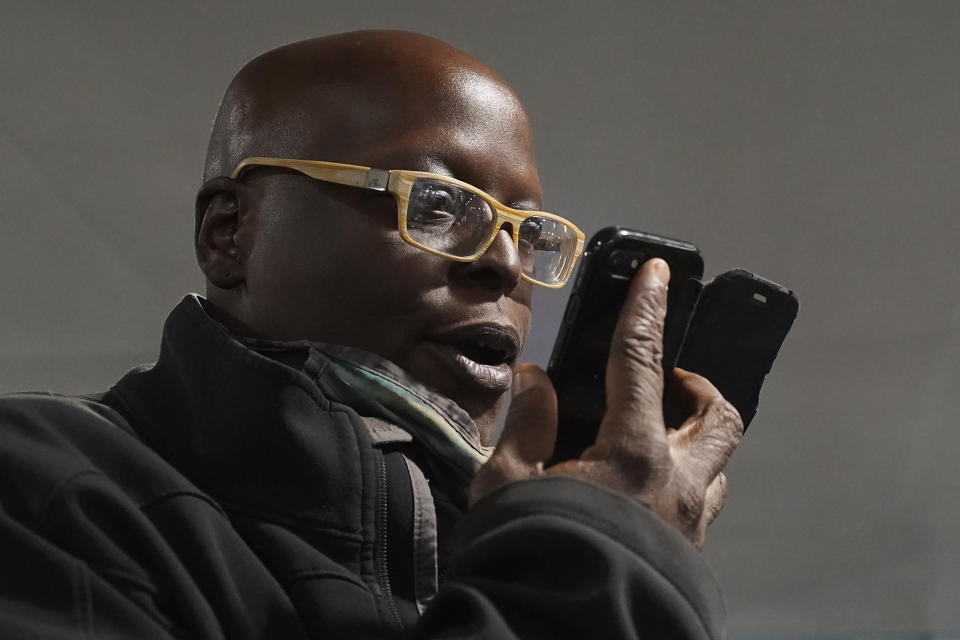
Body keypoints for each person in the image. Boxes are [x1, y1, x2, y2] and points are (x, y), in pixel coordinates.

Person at [0, 30, 743, 639]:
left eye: (530, 233)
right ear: (230, 232)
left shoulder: (504, 547)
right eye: (441, 205)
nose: (505, 264)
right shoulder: (41, 485)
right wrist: (601, 565)